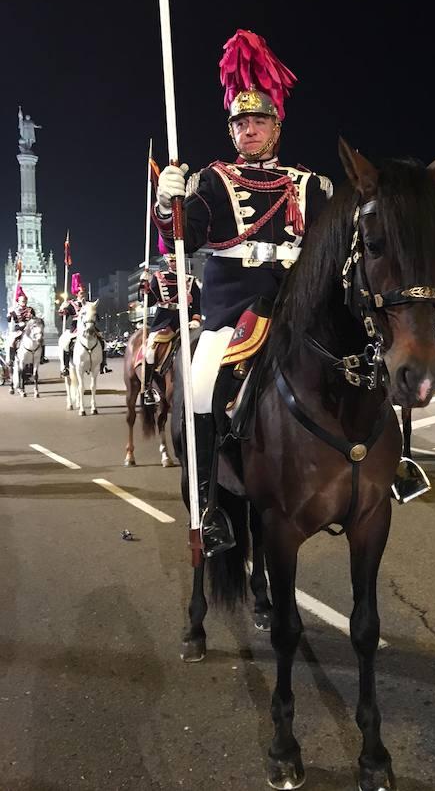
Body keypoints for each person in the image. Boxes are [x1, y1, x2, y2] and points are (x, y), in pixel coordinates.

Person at [153, 29, 333, 554]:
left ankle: (384, 463)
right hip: (235, 312)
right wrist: (167, 205)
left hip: (298, 308)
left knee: (362, 357)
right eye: (240, 123)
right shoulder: (213, 180)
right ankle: (208, 503)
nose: (248, 130)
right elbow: (183, 237)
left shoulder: (308, 184)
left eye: (258, 122)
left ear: (277, 126)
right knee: (201, 382)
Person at [138, 242, 202, 405]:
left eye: (176, 260)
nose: (174, 263)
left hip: (186, 320)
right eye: (171, 260)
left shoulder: (190, 280)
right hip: (164, 320)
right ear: (167, 261)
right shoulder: (159, 277)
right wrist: (144, 287)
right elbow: (149, 302)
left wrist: (196, 319)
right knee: (150, 352)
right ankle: (148, 388)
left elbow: (197, 304)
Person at [58, 274, 111, 376]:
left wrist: (94, 314)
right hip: (76, 327)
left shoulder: (90, 304)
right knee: (66, 344)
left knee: (103, 342)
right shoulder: (71, 304)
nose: (83, 295)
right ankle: (66, 367)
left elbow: (97, 317)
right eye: (81, 293)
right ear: (77, 294)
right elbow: (63, 317)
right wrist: (62, 310)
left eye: (84, 293)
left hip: (90, 326)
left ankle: (103, 365)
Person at [7, 286, 36, 370]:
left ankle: (41, 357)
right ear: (18, 301)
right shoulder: (14, 310)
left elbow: (35, 319)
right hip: (18, 329)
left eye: (25, 301)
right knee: (12, 342)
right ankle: (11, 359)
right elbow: (8, 320)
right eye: (22, 301)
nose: (24, 302)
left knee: (40, 339)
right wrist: (9, 314)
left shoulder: (30, 309)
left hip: (29, 329)